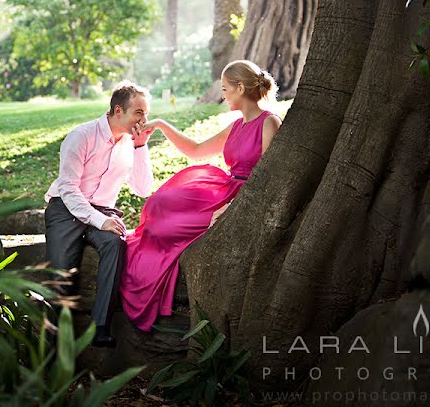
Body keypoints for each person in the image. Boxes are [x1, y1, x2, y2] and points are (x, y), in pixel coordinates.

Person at [119, 60, 282, 332]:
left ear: (240, 88)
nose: (223, 95)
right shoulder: (236, 125)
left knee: (167, 227)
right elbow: (195, 150)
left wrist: (233, 206)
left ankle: (149, 271)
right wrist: (159, 125)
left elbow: (267, 178)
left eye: (226, 89)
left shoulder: (270, 123)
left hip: (244, 197)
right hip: (227, 189)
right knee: (160, 203)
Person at [44, 81, 155, 348]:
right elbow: (69, 189)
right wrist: (99, 220)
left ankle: (100, 327)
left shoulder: (130, 143)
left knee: (115, 244)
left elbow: (143, 189)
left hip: (102, 211)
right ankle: (51, 350)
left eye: (146, 113)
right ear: (118, 111)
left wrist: (141, 148)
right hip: (65, 209)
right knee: (62, 277)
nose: (144, 120)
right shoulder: (81, 136)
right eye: (138, 113)